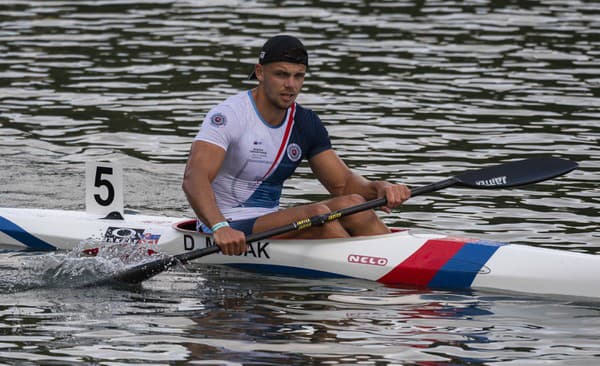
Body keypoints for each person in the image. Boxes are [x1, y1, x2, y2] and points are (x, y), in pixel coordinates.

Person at [183, 35, 411, 256]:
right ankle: (373, 268)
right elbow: (194, 178)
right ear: (260, 72)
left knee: (354, 204)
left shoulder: (304, 122)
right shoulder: (230, 115)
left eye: (298, 76)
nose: (291, 85)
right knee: (317, 214)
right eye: (281, 75)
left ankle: (400, 258)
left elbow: (343, 184)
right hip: (225, 224)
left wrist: (379, 188)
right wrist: (219, 227)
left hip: (269, 220)